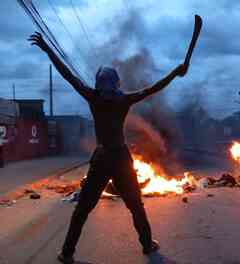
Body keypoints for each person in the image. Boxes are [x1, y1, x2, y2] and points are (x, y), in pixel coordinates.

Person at [28, 32, 187, 264]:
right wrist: (175, 72)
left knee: (82, 210)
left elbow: (67, 75)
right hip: (121, 158)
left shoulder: (92, 96)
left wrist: (47, 49)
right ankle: (147, 245)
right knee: (135, 205)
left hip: (102, 157)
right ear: (117, 84)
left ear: (98, 84)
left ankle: (67, 253)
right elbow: (154, 88)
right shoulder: (124, 100)